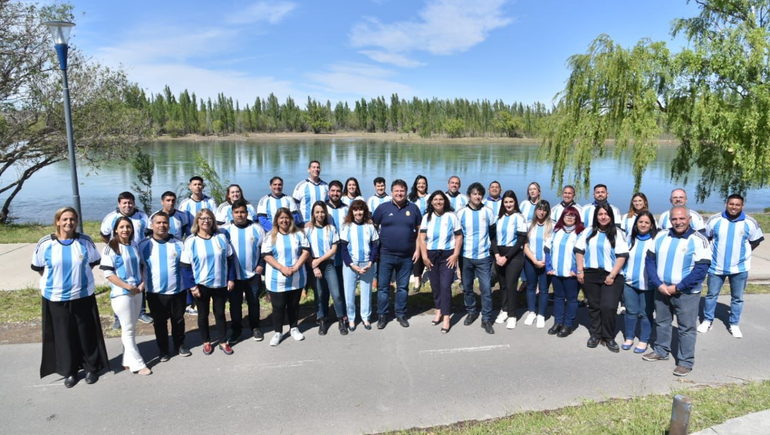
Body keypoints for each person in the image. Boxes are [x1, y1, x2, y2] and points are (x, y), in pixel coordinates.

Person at [32, 207, 108, 388]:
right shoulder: (45, 244)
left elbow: (93, 262)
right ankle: (70, 371)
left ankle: (91, 367)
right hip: (56, 298)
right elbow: (39, 267)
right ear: (57, 221)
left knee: (85, 333)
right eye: (64, 219)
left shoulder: (84, 241)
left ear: (77, 221)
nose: (69, 223)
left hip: (82, 296)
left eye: (72, 219)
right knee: (64, 335)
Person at [643, 206, 710, 377]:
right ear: (670, 220)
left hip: (686, 293)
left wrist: (678, 287)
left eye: (682, 219)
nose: (678, 222)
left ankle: (685, 361)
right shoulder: (661, 235)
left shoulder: (698, 240)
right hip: (662, 289)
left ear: (689, 219)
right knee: (662, 322)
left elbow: (700, 270)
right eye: (674, 219)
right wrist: (658, 284)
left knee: (686, 328)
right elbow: (650, 260)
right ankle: (661, 350)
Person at [700, 194, 764, 338]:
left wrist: (743, 254)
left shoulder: (750, 222)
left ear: (742, 206)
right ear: (726, 204)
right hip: (716, 267)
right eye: (731, 204)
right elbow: (707, 238)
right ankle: (707, 320)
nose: (734, 207)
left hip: (739, 268)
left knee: (737, 297)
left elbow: (756, 241)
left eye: (737, 205)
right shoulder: (715, 220)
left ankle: (734, 324)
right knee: (711, 295)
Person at [181, 209, 236, 355]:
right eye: (202, 218)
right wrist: (192, 287)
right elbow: (185, 267)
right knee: (203, 315)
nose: (206, 221)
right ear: (197, 221)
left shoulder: (221, 238)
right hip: (201, 285)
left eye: (209, 218)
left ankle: (223, 341)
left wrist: (231, 278)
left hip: (220, 284)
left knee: (220, 314)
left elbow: (230, 260)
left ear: (213, 221)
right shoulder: (191, 241)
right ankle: (206, 341)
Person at [575, 203, 629, 352]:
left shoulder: (617, 233)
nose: (603, 217)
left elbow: (622, 256)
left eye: (606, 214)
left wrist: (612, 275)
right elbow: (579, 251)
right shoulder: (588, 232)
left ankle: (608, 336)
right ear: (596, 216)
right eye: (600, 214)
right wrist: (580, 271)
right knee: (594, 305)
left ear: (610, 216)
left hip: (612, 274)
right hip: (590, 274)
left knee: (609, 306)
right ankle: (595, 334)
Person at [100, 217, 151, 375]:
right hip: (122, 294)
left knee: (130, 327)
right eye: (121, 227)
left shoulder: (134, 244)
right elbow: (108, 273)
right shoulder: (111, 247)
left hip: (137, 291)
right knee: (128, 329)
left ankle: (127, 361)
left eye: (128, 227)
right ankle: (138, 364)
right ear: (115, 229)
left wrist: (142, 283)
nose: (125, 230)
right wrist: (127, 286)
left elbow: (141, 266)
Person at [138, 212, 191, 362]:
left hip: (177, 291)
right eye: (158, 223)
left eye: (165, 223)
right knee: (160, 323)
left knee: (178, 320)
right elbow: (139, 267)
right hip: (155, 293)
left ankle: (180, 345)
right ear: (152, 225)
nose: (162, 225)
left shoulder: (179, 243)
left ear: (169, 225)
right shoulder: (143, 245)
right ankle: (163, 350)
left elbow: (186, 266)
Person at [373, 179, 422, 329]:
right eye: (396, 191)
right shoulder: (383, 208)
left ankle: (400, 313)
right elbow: (373, 228)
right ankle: (382, 314)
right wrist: (376, 250)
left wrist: (418, 250)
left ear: (406, 192)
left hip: (406, 256)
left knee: (402, 287)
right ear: (392, 192)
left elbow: (420, 230)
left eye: (402, 191)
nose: (399, 193)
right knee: (383, 287)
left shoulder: (413, 209)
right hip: (386, 254)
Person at [100, 191, 152, 327]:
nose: (128, 205)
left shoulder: (142, 216)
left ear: (134, 203)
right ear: (119, 204)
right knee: (119, 285)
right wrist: (115, 248)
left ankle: (141, 312)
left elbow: (148, 233)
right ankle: (118, 317)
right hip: (120, 255)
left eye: (130, 203)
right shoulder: (111, 217)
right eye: (125, 203)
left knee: (140, 282)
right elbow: (104, 235)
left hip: (137, 254)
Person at [261, 207, 311, 346]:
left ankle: (294, 328)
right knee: (278, 306)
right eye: (281, 218)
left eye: (286, 218)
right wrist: (281, 268)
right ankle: (278, 332)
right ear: (277, 220)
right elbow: (266, 255)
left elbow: (306, 252)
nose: (284, 220)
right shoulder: (270, 235)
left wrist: (295, 267)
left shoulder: (299, 234)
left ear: (291, 219)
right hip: (277, 278)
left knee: (293, 305)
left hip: (296, 276)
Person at [221, 199, 266, 343]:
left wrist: (261, 264)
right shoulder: (225, 230)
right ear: (232, 213)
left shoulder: (257, 229)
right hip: (233, 276)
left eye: (242, 212)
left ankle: (255, 327)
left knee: (253, 302)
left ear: (247, 213)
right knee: (235, 304)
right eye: (236, 212)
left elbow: (265, 250)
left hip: (253, 273)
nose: (239, 215)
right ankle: (236, 330)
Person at [456, 182, 497, 334]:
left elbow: (493, 235)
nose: (477, 196)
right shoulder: (460, 213)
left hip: (483, 257)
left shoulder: (488, 212)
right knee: (467, 287)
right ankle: (471, 311)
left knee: (486, 288)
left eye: (480, 194)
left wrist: (493, 253)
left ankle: (486, 318)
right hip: (465, 256)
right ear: (469, 196)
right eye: (474, 194)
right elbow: (457, 236)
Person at [419, 190, 462, 333]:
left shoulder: (451, 216)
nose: (438, 202)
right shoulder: (427, 217)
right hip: (431, 255)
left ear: (445, 202)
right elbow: (422, 238)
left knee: (445, 285)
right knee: (435, 285)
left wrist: (455, 255)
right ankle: (438, 310)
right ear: (431, 202)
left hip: (447, 256)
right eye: (435, 199)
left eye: (441, 199)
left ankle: (447, 316)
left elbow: (458, 237)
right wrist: (424, 257)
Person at [305, 201, 346, 335]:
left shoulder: (331, 228)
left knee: (337, 294)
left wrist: (319, 260)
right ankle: (321, 319)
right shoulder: (308, 229)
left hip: (328, 265)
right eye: (317, 212)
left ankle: (341, 319)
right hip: (313, 264)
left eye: (322, 212)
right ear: (313, 214)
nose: (320, 214)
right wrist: (314, 265)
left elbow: (334, 249)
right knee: (320, 294)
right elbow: (305, 250)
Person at [621, 211, 657, 353]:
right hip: (630, 283)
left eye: (646, 222)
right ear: (636, 224)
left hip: (648, 285)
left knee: (646, 313)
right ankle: (629, 337)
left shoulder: (655, 241)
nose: (643, 225)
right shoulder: (630, 239)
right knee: (630, 312)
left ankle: (644, 340)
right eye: (640, 222)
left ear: (651, 225)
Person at [545, 206, 584, 338]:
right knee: (558, 297)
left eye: (572, 215)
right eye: (566, 215)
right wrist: (549, 267)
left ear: (577, 218)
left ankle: (568, 325)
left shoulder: (580, 233)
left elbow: (583, 253)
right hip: (556, 272)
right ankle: (558, 322)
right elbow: (548, 249)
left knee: (572, 299)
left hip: (571, 274)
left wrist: (576, 270)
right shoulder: (557, 231)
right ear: (562, 217)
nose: (569, 217)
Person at [340, 200, 379, 332]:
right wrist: (351, 264)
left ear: (365, 211)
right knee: (349, 293)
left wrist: (371, 262)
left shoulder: (370, 226)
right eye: (355, 210)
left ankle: (365, 317)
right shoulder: (347, 227)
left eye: (361, 210)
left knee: (366, 292)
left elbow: (375, 246)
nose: (358, 212)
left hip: (367, 264)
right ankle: (351, 318)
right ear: (352, 212)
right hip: (351, 265)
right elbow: (343, 249)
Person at [491, 190, 528, 330]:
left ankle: (512, 315)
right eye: (506, 202)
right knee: (503, 286)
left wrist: (506, 257)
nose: (508, 204)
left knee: (511, 285)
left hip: (514, 255)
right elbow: (493, 237)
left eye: (511, 202)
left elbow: (520, 240)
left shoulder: (519, 217)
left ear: (515, 202)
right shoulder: (498, 217)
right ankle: (504, 310)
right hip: (499, 255)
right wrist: (496, 255)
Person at [522, 200, 553, 328]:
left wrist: (545, 260)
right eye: (539, 209)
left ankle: (541, 314)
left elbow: (553, 246)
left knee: (544, 289)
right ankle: (531, 312)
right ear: (535, 210)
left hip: (546, 262)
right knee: (530, 287)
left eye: (544, 210)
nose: (542, 212)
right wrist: (534, 260)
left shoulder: (553, 226)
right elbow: (525, 245)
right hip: (531, 261)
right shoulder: (529, 225)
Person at [325, 180, 348, 298]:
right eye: (333, 191)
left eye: (338, 191)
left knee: (341, 281)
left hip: (342, 250)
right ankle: (323, 314)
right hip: (327, 251)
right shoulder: (323, 208)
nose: (335, 193)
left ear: (342, 193)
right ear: (328, 192)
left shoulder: (346, 209)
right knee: (325, 286)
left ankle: (342, 310)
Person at [409, 175, 430, 292]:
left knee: (427, 252)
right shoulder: (411, 198)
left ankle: (429, 274)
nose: (421, 185)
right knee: (416, 253)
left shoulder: (430, 197)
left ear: (426, 185)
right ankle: (417, 279)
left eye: (423, 183)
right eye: (419, 183)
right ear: (415, 185)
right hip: (414, 230)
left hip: (428, 230)